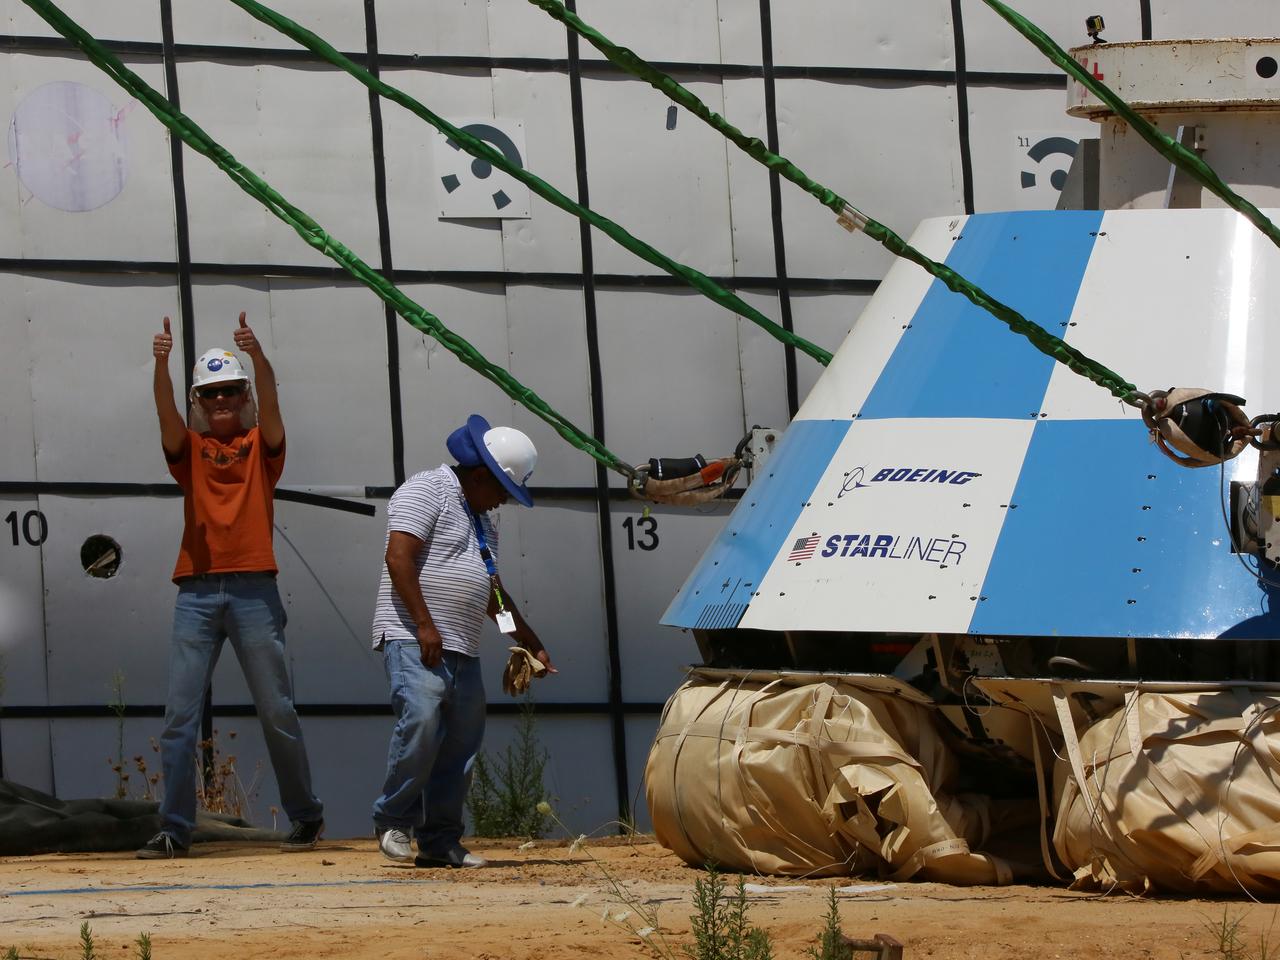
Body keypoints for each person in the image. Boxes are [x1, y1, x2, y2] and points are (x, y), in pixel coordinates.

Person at [139, 312, 324, 859]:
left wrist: (259, 358)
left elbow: (272, 405)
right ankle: (175, 829)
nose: (220, 401)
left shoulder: (262, 449)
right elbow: (165, 415)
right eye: (210, 394)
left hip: (253, 591)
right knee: (179, 718)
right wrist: (160, 363)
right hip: (195, 591)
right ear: (199, 401)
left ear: (242, 396)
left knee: (277, 711)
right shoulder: (190, 453)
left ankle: (306, 817)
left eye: (229, 392)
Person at [371, 414, 554, 867]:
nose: (502, 504)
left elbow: (491, 592)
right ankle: (394, 819)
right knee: (423, 718)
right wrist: (424, 625)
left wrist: (527, 639)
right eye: (501, 492)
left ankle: (440, 842)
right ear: (479, 476)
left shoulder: (482, 519)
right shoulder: (426, 489)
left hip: (461, 645)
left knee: (461, 744)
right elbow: (399, 558)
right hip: (416, 637)